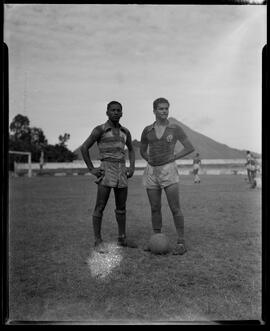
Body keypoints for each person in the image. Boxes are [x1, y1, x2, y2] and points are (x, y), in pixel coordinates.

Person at [80, 101, 137, 253]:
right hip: (106, 169)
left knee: (121, 207)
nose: (116, 112)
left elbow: (131, 149)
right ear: (107, 112)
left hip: (121, 170)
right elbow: (84, 147)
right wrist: (91, 168)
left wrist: (131, 166)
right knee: (100, 206)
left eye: (119, 110)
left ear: (122, 113)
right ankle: (98, 241)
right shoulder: (100, 130)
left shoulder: (125, 132)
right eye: (113, 110)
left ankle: (122, 238)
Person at [140, 97, 195, 255]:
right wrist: (148, 159)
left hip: (168, 170)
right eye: (161, 108)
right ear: (154, 110)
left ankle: (181, 242)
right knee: (155, 208)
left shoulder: (174, 128)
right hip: (151, 171)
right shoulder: (147, 130)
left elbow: (189, 147)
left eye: (166, 108)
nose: (164, 111)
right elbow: (143, 149)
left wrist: (174, 157)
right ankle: (156, 240)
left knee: (175, 208)